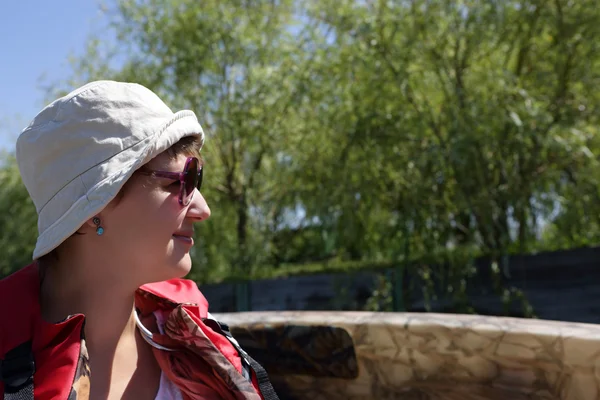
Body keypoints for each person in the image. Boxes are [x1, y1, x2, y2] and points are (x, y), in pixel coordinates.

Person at [0, 81, 278, 400]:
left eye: (197, 179)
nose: (203, 209)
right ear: (95, 206)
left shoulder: (195, 335)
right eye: (184, 180)